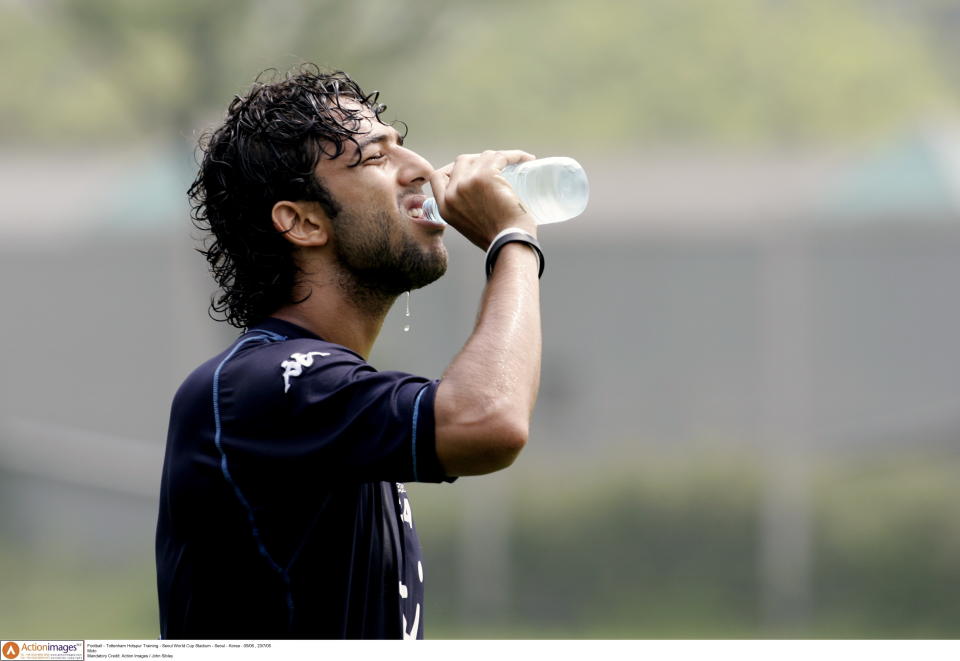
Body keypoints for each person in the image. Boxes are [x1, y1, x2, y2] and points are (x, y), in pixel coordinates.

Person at [155, 65, 544, 639]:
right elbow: (488, 420)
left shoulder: (324, 393)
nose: (419, 170)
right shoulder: (263, 384)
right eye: (376, 157)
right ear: (304, 222)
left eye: (404, 147)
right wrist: (515, 243)